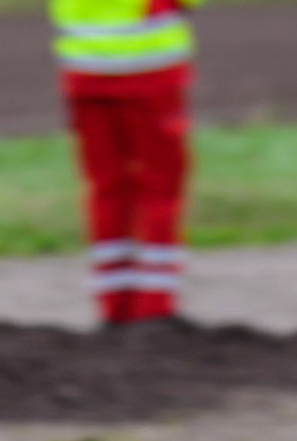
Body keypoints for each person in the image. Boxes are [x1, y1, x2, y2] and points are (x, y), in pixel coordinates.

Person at [51, 0, 201, 325]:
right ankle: (155, 305)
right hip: (149, 72)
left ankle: (113, 302)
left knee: (105, 188)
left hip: (84, 71)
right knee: (161, 187)